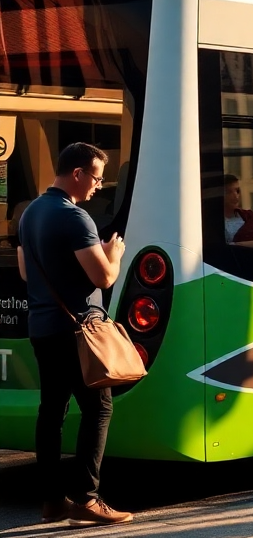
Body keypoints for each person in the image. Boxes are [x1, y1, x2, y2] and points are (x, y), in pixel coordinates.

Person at [16, 143, 133, 525]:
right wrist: (112, 251)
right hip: (78, 330)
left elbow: (24, 272)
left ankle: (52, 501)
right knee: (99, 408)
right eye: (97, 177)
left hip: (43, 328)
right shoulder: (75, 217)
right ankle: (87, 497)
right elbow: (104, 276)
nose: (99, 185)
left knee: (52, 412)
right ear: (78, 173)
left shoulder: (30, 212)